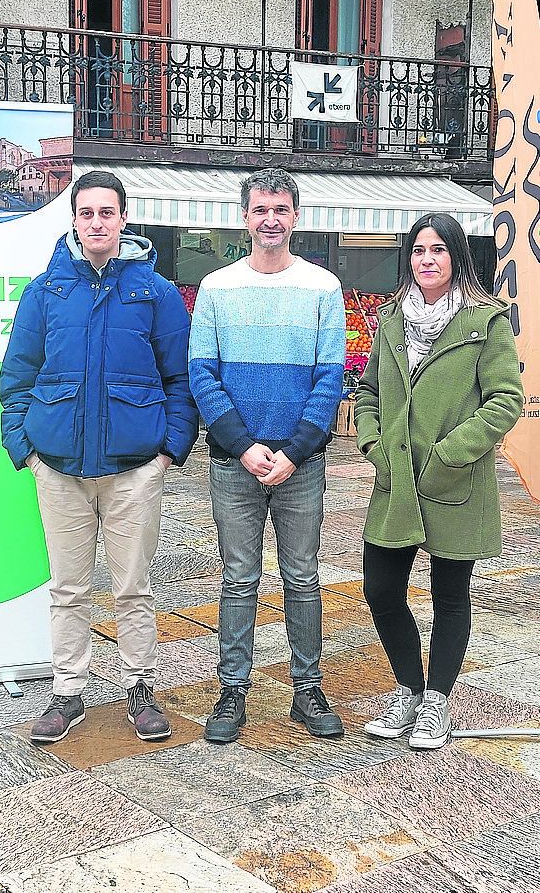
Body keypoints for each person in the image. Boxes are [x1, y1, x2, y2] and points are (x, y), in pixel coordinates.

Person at [0, 170, 198, 744]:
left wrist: (168, 451)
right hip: (57, 466)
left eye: (106, 212)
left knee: (133, 586)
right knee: (68, 588)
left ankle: (138, 685)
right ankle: (68, 692)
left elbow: (178, 378)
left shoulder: (155, 293)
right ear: (75, 221)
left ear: (123, 219)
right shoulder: (45, 292)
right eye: (86, 213)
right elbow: (18, 377)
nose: (96, 223)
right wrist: (27, 449)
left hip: (135, 468)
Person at [355, 213, 523, 750]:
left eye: (438, 250)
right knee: (381, 589)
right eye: (418, 250)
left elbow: (506, 398)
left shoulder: (484, 319)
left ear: (456, 257)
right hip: (397, 478)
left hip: (455, 480)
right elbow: (368, 393)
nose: (427, 260)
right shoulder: (389, 320)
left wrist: (452, 452)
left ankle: (437, 702)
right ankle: (408, 688)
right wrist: (373, 445)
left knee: (451, 596)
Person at [188, 168, 346, 743]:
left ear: (296, 217)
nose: (271, 220)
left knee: (303, 578)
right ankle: (233, 691)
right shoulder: (216, 287)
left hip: (300, 465)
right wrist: (245, 444)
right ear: (246, 217)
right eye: (261, 210)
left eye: (281, 209)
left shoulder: (324, 288)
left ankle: (308, 688)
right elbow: (201, 375)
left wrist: (296, 451)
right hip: (236, 462)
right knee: (237, 579)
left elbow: (331, 377)